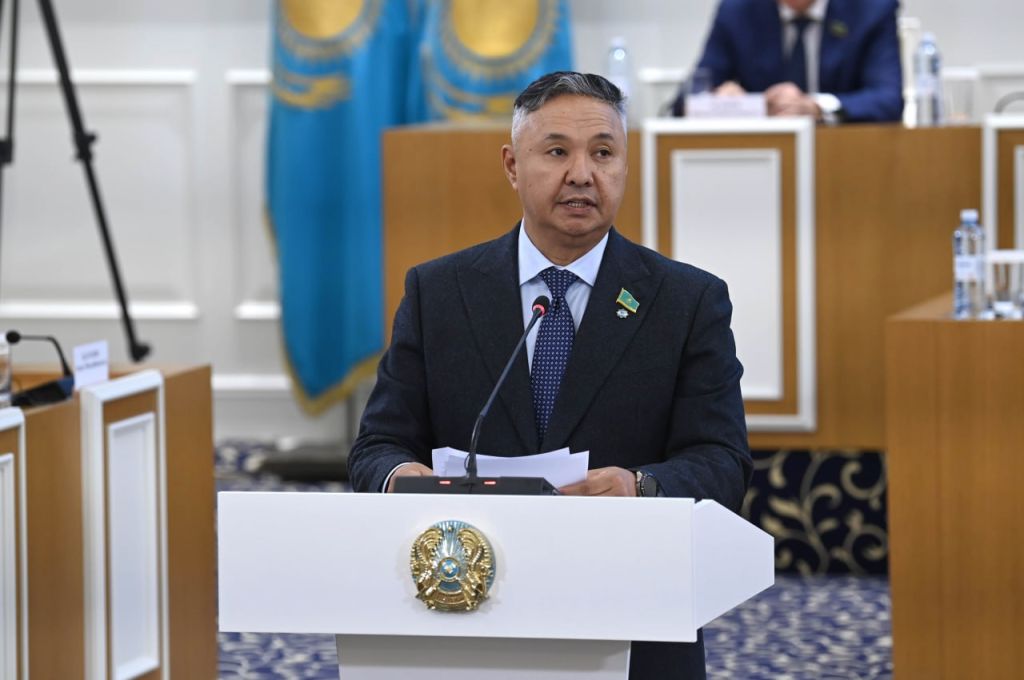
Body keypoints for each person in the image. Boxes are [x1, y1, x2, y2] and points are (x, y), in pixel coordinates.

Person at [349, 71, 752, 679]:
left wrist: (641, 486)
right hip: (465, 616)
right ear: (513, 166)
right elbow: (377, 447)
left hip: (630, 613)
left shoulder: (687, 301)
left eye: (603, 153)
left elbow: (723, 461)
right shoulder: (439, 292)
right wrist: (402, 478)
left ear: (624, 165)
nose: (582, 174)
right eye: (557, 151)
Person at [692, 0, 903, 122]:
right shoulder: (738, 10)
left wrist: (817, 108)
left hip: (844, 156)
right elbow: (689, 97)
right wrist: (724, 101)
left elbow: (888, 100)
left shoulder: (870, 8)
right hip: (761, 159)